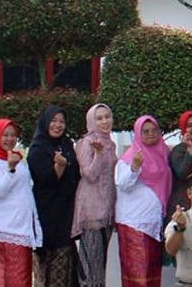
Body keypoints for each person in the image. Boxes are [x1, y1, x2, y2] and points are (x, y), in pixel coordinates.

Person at [0, 118, 42, 287]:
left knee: (17, 275)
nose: (9, 139)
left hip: (20, 224)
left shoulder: (16, 158)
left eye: (13, 135)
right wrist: (11, 168)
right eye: (5, 135)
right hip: (6, 226)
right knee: (15, 275)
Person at [27, 105, 82, 287]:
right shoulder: (38, 147)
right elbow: (46, 179)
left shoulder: (66, 144)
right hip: (46, 214)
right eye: (53, 120)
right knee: (46, 270)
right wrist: (59, 167)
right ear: (45, 122)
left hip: (65, 212)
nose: (58, 125)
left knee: (66, 269)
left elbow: (76, 174)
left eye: (62, 121)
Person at [116, 115, 172, 287]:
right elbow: (122, 183)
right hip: (134, 223)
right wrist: (135, 167)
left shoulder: (164, 152)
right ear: (138, 134)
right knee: (137, 276)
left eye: (154, 130)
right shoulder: (130, 156)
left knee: (152, 273)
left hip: (154, 223)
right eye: (145, 131)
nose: (150, 134)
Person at [73, 103, 117, 287]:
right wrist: (99, 153)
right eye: (99, 118)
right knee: (91, 266)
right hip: (91, 210)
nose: (104, 121)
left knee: (103, 265)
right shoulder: (86, 142)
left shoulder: (111, 143)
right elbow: (89, 175)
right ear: (91, 121)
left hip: (106, 209)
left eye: (107, 116)